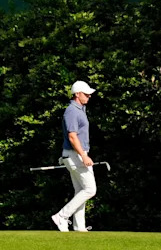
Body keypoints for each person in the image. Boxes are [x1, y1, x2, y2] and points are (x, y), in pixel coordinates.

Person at [51, 80, 96, 232]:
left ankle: (79, 226)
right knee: (90, 189)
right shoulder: (72, 111)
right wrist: (83, 155)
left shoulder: (80, 110)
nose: (89, 96)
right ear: (77, 94)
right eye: (86, 94)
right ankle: (62, 216)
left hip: (75, 154)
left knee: (80, 190)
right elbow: (72, 136)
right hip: (76, 155)